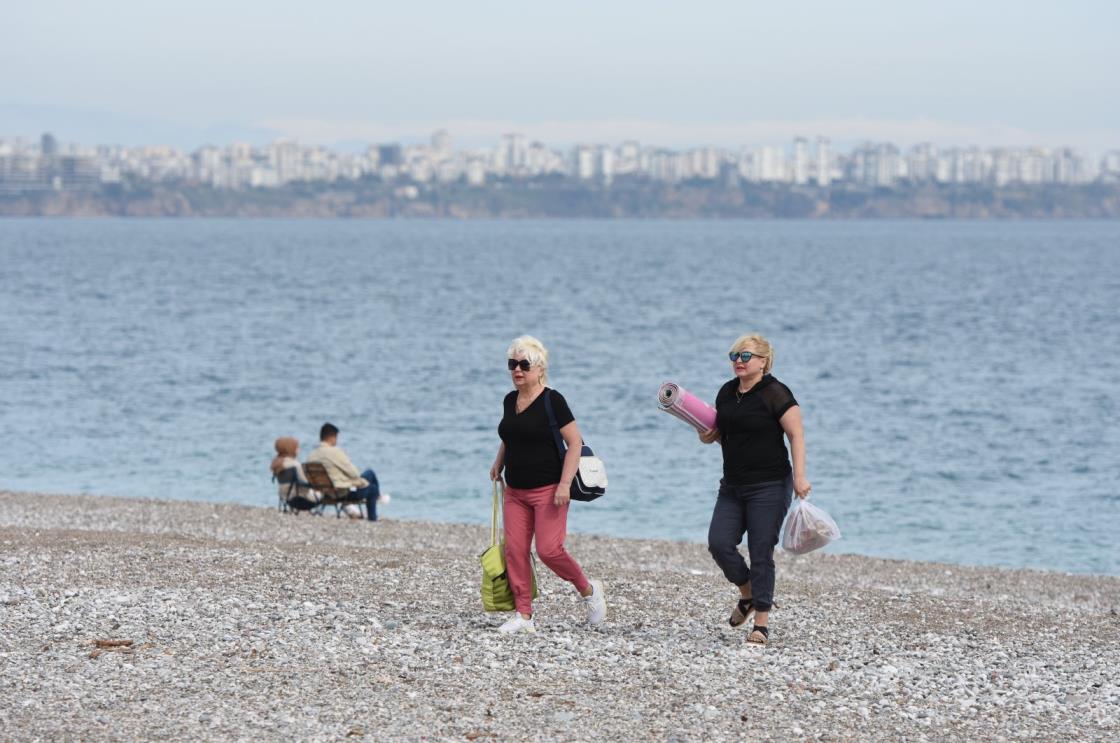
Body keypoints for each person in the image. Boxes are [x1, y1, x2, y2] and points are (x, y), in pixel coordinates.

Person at [489, 335, 607, 634]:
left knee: (548, 550)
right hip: (515, 490)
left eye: (524, 364)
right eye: (512, 364)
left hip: (549, 489)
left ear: (539, 369)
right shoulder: (509, 399)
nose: (517, 370)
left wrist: (565, 484)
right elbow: (510, 435)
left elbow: (575, 442)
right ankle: (523, 614)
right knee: (514, 551)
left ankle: (589, 590)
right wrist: (498, 462)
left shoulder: (553, 400)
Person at [699, 334, 810, 646]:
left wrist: (800, 477)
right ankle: (748, 594)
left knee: (761, 551)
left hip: (770, 485)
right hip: (732, 484)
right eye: (734, 354)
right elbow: (724, 434)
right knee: (719, 544)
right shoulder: (726, 392)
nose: (738, 360)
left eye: (746, 356)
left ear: (763, 361)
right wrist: (706, 436)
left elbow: (796, 435)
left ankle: (761, 623)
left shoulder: (775, 393)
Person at [307, 423, 386, 522]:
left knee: (369, 473)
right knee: (372, 488)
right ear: (332, 437)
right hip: (342, 493)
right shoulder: (334, 452)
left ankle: (378, 497)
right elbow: (354, 473)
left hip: (325, 494)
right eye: (336, 437)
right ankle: (373, 518)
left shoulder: (311, 455)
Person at [270, 437, 322, 511]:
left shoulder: (278, 464)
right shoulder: (295, 465)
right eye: (297, 448)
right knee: (321, 493)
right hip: (299, 497)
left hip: (284, 495)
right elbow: (304, 481)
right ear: (291, 449)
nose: (299, 450)